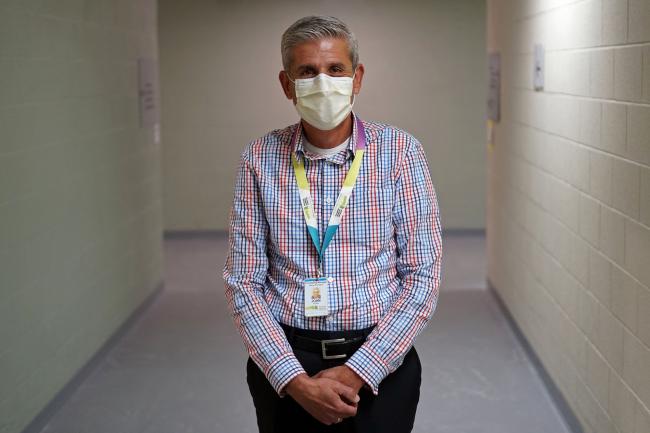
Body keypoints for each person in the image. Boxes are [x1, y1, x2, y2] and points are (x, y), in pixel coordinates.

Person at [223, 15, 442, 433]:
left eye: (335, 69)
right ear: (287, 85)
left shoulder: (399, 154)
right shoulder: (259, 159)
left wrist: (357, 372)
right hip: (287, 363)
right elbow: (243, 281)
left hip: (381, 365)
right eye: (307, 72)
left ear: (356, 77)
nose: (323, 82)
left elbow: (423, 276)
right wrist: (294, 380)